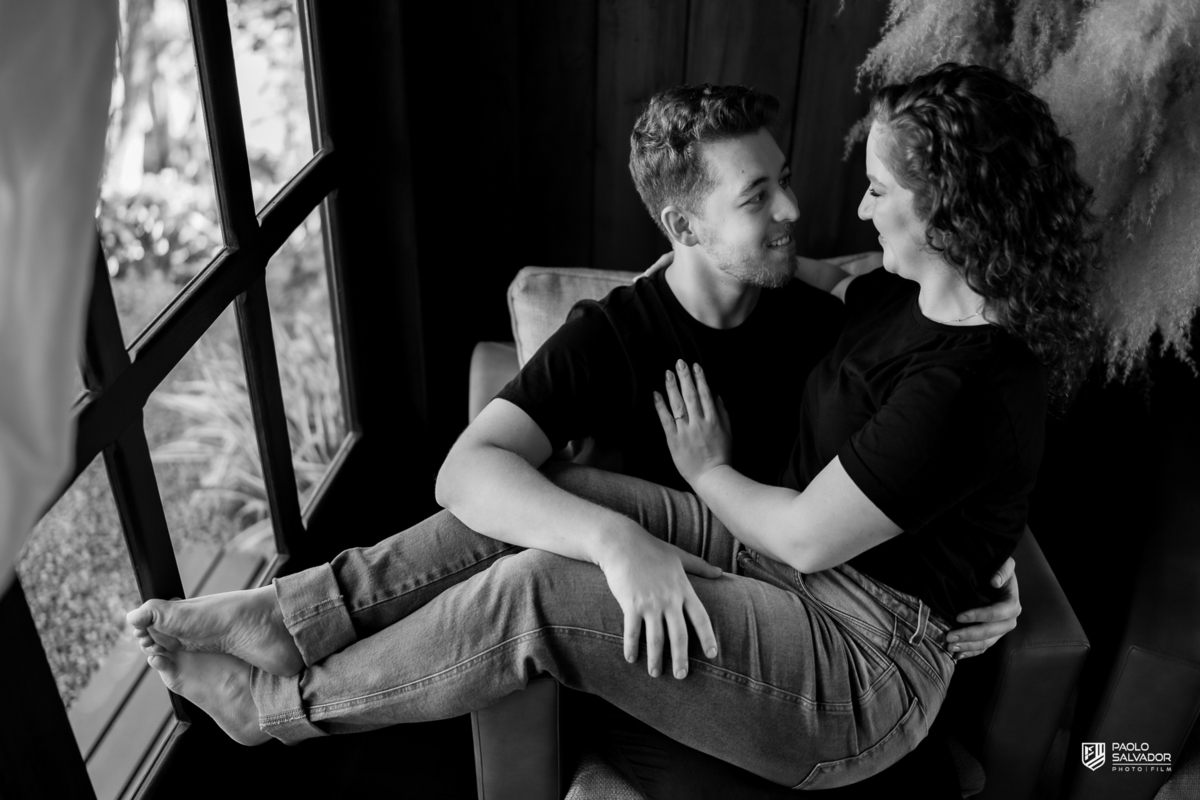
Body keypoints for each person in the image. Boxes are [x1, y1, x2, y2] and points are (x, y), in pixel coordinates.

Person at [122, 70, 1063, 790]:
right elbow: (471, 474)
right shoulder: (858, 295)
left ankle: (277, 706)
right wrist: (617, 544)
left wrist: (980, 560)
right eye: (757, 196)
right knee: (553, 504)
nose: (806, 209)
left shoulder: (889, 325)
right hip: (783, 569)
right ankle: (291, 618)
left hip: (850, 642)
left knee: (531, 590)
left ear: (947, 208)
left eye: (869, 189)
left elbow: (929, 455)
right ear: (682, 229)